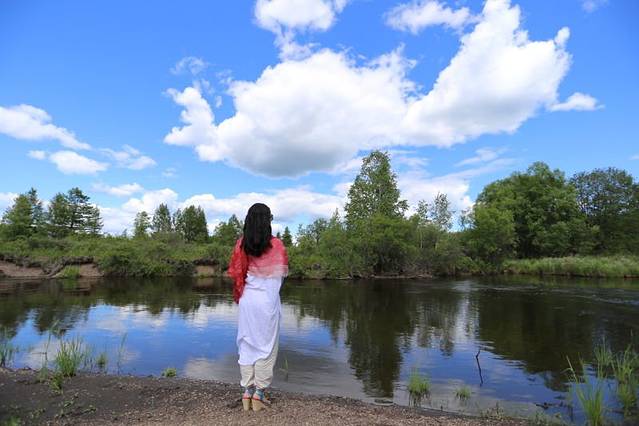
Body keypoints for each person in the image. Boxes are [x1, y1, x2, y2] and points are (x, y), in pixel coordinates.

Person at [227, 203, 288, 411]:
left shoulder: (242, 244)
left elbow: (237, 273)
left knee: (247, 344)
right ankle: (259, 395)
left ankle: (247, 391)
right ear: (267, 221)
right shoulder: (277, 245)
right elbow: (280, 278)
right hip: (267, 302)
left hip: (248, 300)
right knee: (266, 347)